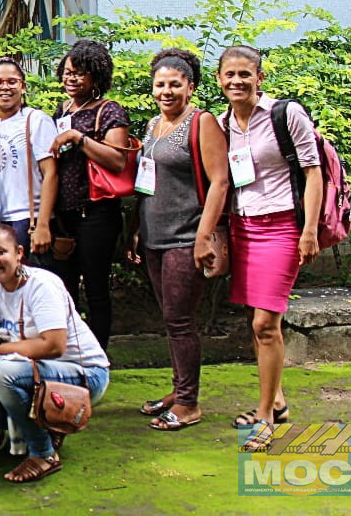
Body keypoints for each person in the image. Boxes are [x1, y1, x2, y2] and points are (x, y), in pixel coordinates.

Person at [217, 45, 321, 450]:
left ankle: (264, 417)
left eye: (246, 74)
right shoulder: (223, 122)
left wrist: (308, 229)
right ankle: (276, 401)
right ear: (220, 79)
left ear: (260, 77)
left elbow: (313, 172)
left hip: (282, 227)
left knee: (265, 323)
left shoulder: (285, 114)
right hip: (243, 225)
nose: (237, 81)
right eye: (230, 75)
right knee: (255, 318)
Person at [126, 50, 230, 431]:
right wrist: (138, 229)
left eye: (175, 84)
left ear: (191, 86)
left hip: (186, 237)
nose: (166, 91)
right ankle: (178, 388)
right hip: (154, 236)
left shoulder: (201, 123)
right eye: (160, 84)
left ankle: (189, 402)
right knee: (170, 320)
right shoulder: (154, 124)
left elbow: (220, 180)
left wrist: (204, 236)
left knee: (180, 319)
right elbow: (148, 183)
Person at [0, 224, 110, 483]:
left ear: (19, 252)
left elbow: (54, 345)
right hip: (40, 374)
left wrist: (4, 348)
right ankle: (53, 426)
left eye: (0, 252)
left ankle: (43, 453)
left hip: (84, 376)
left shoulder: (41, 286)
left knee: (4, 374)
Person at [46, 39, 132, 349]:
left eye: (79, 73)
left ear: (96, 76)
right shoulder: (63, 109)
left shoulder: (109, 111)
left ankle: (98, 357)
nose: (71, 79)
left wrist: (77, 138)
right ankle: (72, 354)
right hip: (65, 214)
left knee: (95, 289)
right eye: (67, 72)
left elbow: (117, 159)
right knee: (65, 289)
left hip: (96, 213)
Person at [0, 57, 58, 257]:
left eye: (12, 81)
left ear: (23, 86)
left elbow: (51, 172)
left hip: (29, 219)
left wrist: (42, 224)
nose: (4, 87)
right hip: (0, 220)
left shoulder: (35, 119)